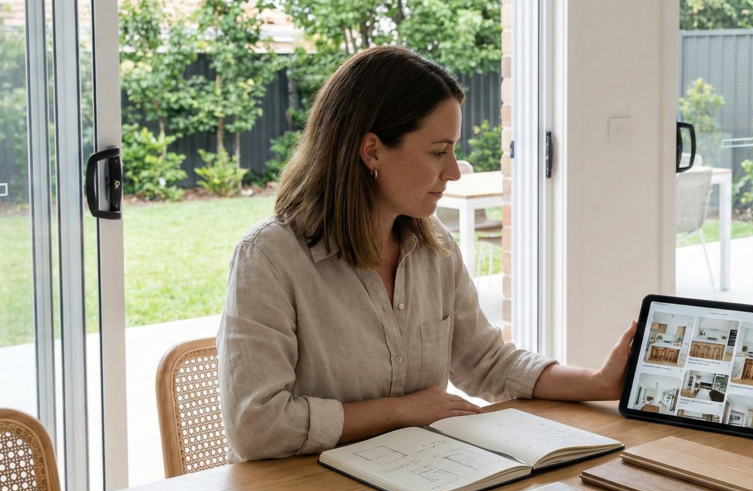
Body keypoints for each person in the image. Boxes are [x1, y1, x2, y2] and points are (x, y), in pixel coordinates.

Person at [218, 45, 635, 462]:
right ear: (372, 151)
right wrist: (401, 412)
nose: (453, 171)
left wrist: (598, 382)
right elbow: (256, 426)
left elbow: (486, 361)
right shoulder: (269, 259)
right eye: (439, 151)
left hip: (420, 481)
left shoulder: (434, 247)